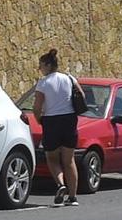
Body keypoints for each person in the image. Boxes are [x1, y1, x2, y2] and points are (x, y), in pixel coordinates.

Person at [24, 48, 82, 206]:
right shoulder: (69, 78)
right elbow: (82, 95)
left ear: (48, 65)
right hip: (70, 120)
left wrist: (39, 119)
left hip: (51, 121)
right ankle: (73, 197)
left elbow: (37, 107)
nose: (39, 68)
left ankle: (61, 184)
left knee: (52, 158)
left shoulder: (43, 83)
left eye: (41, 65)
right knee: (69, 160)